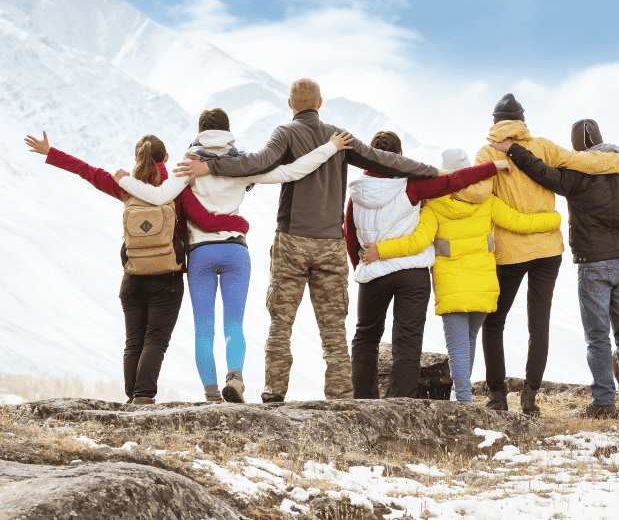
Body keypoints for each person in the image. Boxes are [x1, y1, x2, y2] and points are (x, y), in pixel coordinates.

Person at [175, 79, 441, 402]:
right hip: (330, 243)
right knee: (333, 328)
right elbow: (385, 160)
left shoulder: (285, 133)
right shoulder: (339, 136)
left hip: (291, 241)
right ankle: (341, 395)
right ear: (320, 102)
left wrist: (211, 166)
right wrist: (431, 172)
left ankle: (274, 393)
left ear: (290, 105)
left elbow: (256, 163)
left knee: (281, 322)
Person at [115, 108, 354, 403]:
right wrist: (330, 146)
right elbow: (293, 171)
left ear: (199, 131)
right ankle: (235, 376)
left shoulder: (188, 166)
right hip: (235, 251)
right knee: (233, 324)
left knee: (204, 328)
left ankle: (213, 396)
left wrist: (124, 180)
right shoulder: (241, 165)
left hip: (200, 254)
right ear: (228, 132)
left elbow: (158, 197)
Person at [23, 130, 248, 405]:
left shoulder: (125, 186)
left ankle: (133, 397)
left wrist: (51, 152)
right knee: (155, 340)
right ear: (166, 157)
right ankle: (143, 395)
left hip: (133, 277)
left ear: (137, 159)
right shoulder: (176, 188)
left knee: (133, 342)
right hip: (167, 277)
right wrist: (240, 225)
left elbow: (87, 171)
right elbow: (206, 221)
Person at [453, 93, 619, 414]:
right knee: (538, 325)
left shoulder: (487, 152)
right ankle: (530, 398)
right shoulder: (543, 146)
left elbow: (480, 193)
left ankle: (498, 397)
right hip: (548, 251)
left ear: (495, 122)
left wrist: (449, 184)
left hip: (510, 252)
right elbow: (585, 161)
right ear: (523, 119)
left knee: (494, 322)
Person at [490, 120, 619, 418]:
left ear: (576, 148)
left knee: (598, 337)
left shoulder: (575, 172)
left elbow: (541, 171)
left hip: (593, 266)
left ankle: (604, 403)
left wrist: (513, 149)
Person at [360, 149, 562, 405]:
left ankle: (463, 403)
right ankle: (461, 397)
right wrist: (552, 220)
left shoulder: (434, 205)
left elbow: (417, 241)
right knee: (468, 341)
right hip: (483, 285)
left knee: (458, 349)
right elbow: (517, 222)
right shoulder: (486, 200)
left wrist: (381, 251)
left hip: (452, 286)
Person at [343, 136, 513, 400]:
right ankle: (400, 403)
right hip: (412, 274)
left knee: (366, 337)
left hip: (373, 270)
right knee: (408, 341)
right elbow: (453, 181)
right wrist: (493, 167)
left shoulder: (358, 191)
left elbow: (350, 234)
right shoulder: (412, 186)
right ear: (400, 154)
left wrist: (362, 268)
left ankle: (364, 400)